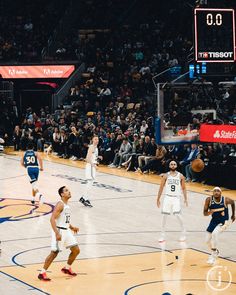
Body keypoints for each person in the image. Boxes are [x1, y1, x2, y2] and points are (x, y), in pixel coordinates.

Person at [38, 186, 80, 281]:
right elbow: (52, 219)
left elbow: (64, 220)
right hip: (59, 230)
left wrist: (72, 227)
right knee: (54, 253)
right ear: (62, 194)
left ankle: (66, 268)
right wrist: (57, 233)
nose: (69, 192)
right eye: (66, 190)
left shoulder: (67, 205)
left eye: (68, 190)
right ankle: (42, 272)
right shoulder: (60, 205)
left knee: (76, 250)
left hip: (66, 230)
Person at [157, 160, 188, 242]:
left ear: (176, 166)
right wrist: (158, 199)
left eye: (174, 164)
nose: (173, 165)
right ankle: (162, 235)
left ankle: (183, 232)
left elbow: (184, 188)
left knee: (178, 215)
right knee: (164, 217)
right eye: (171, 164)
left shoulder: (181, 176)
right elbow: (161, 187)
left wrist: (185, 198)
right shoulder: (165, 176)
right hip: (167, 197)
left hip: (176, 198)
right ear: (169, 166)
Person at [203, 186, 235, 265]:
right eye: (215, 191)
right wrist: (210, 212)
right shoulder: (208, 200)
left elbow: (233, 203)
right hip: (214, 221)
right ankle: (216, 251)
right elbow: (204, 213)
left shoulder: (225, 200)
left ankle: (213, 256)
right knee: (207, 241)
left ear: (221, 193)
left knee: (215, 234)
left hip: (224, 221)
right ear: (213, 193)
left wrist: (233, 214)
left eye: (218, 191)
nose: (216, 192)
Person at [80, 135, 102, 207]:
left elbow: (93, 157)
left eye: (97, 139)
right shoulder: (92, 147)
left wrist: (98, 157)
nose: (97, 140)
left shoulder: (96, 148)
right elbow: (87, 159)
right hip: (90, 167)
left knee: (90, 183)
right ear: (92, 140)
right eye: (95, 139)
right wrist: (94, 166)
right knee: (90, 183)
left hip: (92, 167)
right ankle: (84, 199)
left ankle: (84, 198)